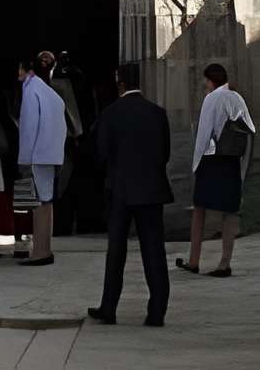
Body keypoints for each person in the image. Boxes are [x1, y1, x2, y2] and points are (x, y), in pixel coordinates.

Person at [89, 63, 172, 330]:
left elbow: (101, 154)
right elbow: (165, 153)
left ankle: (109, 307)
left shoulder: (111, 113)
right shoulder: (157, 113)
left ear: (120, 83)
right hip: (151, 189)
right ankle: (157, 311)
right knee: (154, 250)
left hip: (121, 190)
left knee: (116, 251)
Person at [177, 62, 254, 277]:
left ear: (210, 80)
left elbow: (204, 134)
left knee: (199, 209)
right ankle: (224, 263)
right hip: (231, 160)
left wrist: (196, 164)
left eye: (206, 80)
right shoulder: (237, 97)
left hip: (211, 160)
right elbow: (250, 129)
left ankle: (194, 261)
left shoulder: (212, 99)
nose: (205, 84)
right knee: (230, 211)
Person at [15, 54, 67, 267]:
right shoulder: (48, 92)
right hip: (51, 153)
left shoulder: (31, 90)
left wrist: (24, 158)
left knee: (35, 203)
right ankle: (45, 248)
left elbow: (29, 127)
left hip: (36, 154)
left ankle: (39, 252)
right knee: (46, 202)